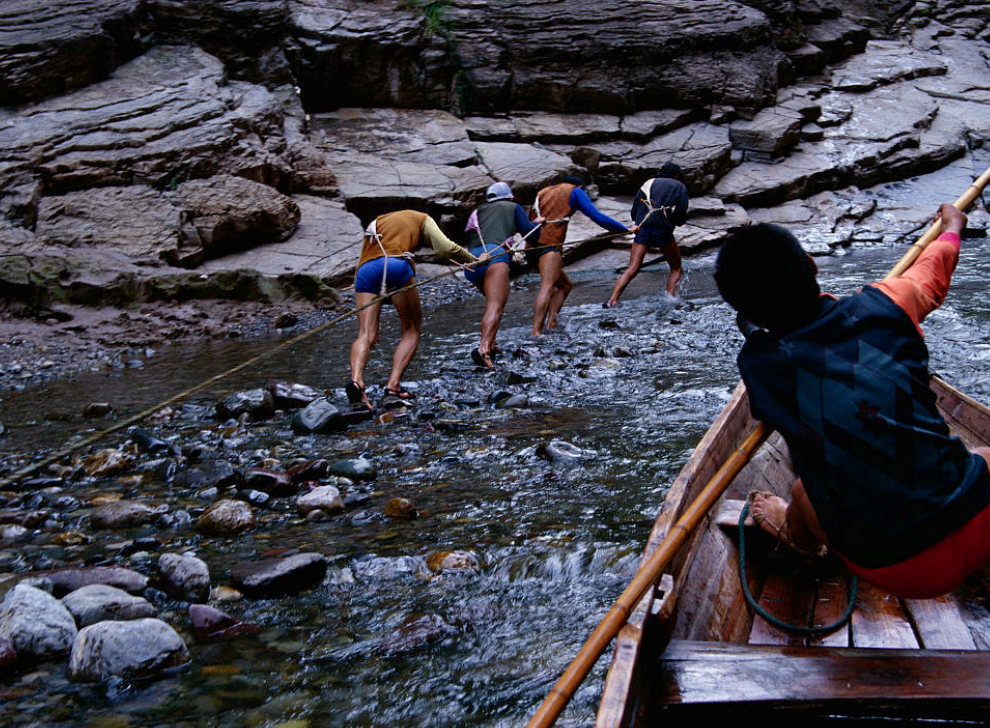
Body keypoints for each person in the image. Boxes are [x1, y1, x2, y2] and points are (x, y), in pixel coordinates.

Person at [713, 204, 990, 599]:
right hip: (982, 521)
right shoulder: (887, 303)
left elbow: (763, 331)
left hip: (899, 569)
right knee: (984, 454)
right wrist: (951, 228)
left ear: (745, 311)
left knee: (801, 492)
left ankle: (803, 545)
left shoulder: (759, 364)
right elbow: (933, 270)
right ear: (811, 265)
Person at [347, 210, 484, 410]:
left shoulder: (377, 221)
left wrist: (373, 326)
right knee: (411, 329)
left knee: (365, 334)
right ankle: (393, 387)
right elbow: (445, 249)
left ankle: (356, 381)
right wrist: (474, 260)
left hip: (365, 271)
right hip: (396, 265)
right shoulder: (422, 218)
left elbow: (366, 256)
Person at [528, 175, 633, 336]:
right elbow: (598, 217)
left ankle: (551, 324)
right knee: (548, 286)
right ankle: (536, 332)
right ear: (581, 187)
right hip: (549, 246)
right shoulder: (575, 191)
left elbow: (530, 220)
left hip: (532, 246)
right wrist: (625, 230)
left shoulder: (544, 192)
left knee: (565, 285)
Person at [463, 182, 543, 369]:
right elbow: (532, 236)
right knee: (495, 307)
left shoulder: (477, 211)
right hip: (495, 257)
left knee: (492, 306)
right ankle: (483, 349)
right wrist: (537, 224)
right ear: (509, 197)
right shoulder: (512, 207)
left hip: (471, 262)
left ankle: (492, 344)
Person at [604, 163, 688, 308]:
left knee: (632, 268)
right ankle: (671, 301)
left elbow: (634, 210)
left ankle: (612, 300)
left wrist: (638, 223)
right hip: (663, 230)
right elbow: (681, 212)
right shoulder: (679, 186)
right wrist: (675, 223)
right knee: (676, 267)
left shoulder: (648, 183)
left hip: (643, 229)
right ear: (676, 175)